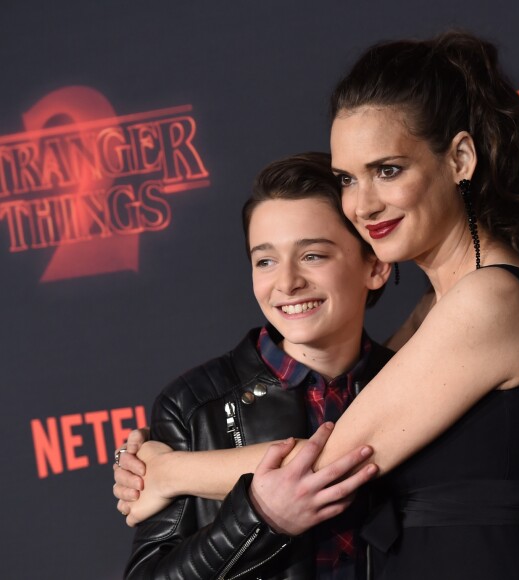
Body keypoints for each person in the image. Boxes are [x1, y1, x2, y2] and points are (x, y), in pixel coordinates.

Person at [115, 30, 519, 578]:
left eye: (388, 170)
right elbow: (342, 423)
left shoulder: (489, 297)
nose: (362, 204)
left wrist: (167, 472)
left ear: (459, 159)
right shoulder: (446, 303)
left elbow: (328, 461)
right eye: (346, 179)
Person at [119, 151, 400, 578]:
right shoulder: (193, 405)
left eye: (313, 256)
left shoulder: (414, 382)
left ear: (376, 265)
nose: (286, 282)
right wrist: (260, 519)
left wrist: (171, 472)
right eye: (265, 260)